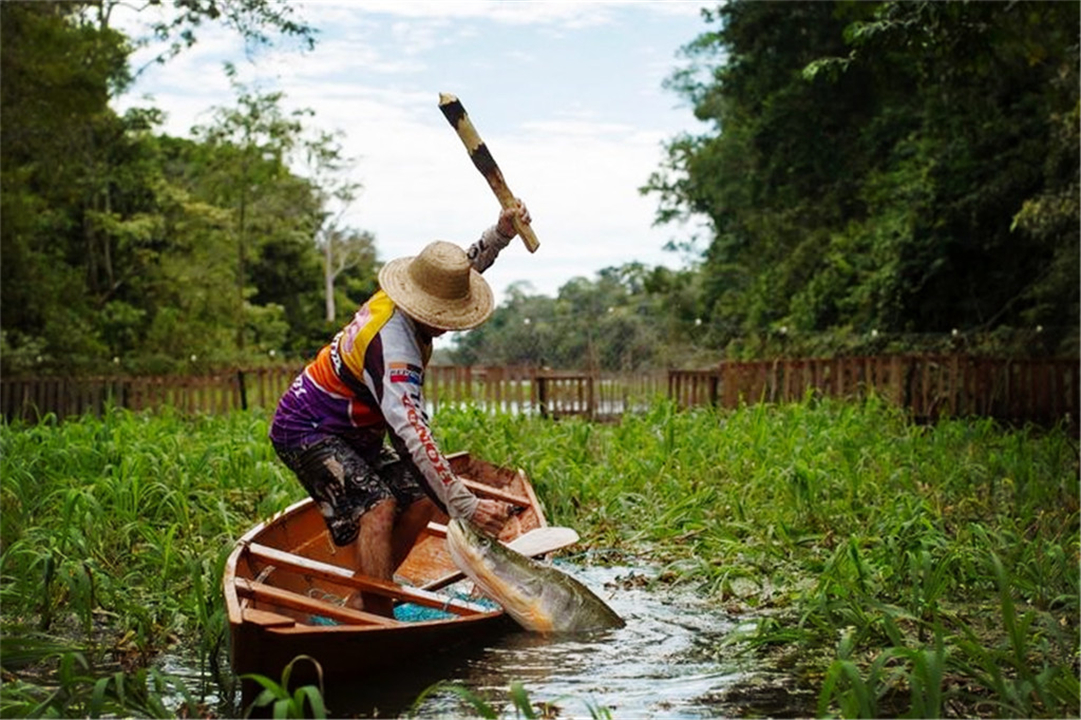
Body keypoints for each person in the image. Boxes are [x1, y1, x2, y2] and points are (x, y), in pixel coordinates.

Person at [269, 201, 532, 617]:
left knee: (424, 495)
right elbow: (411, 435)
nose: (447, 325)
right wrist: (465, 504)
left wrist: (500, 234)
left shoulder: (418, 293)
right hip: (308, 427)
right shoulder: (394, 348)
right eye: (444, 317)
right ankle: (376, 611)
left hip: (354, 431)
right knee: (378, 506)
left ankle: (369, 591)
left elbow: (461, 269)